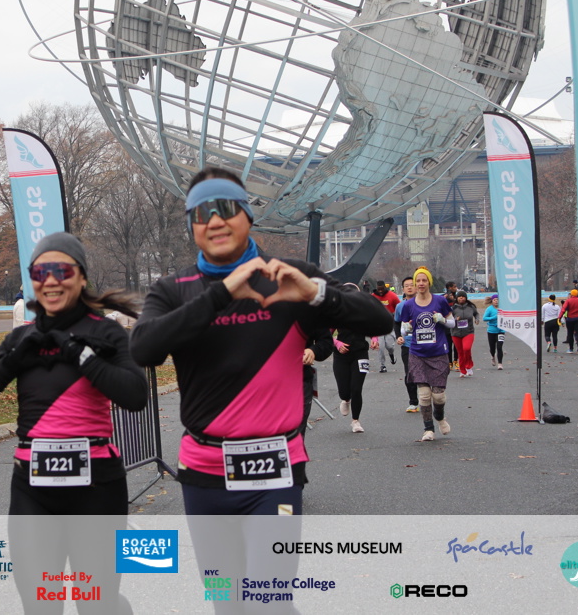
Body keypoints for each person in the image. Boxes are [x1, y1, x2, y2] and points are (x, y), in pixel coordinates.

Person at [129, 168, 391, 610]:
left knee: (270, 600)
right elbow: (143, 349)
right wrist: (222, 293)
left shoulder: (289, 277)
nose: (215, 221)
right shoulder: (175, 289)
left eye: (226, 208)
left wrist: (317, 294)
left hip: (275, 472)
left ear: (248, 216)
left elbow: (379, 320)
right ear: (192, 225)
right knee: (225, 602)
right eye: (201, 213)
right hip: (204, 475)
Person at [0, 232, 146, 615]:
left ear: (81, 277)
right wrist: (12, 360)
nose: (51, 280)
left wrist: (83, 356)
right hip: (33, 491)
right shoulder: (22, 338)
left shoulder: (105, 332)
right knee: (41, 604)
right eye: (40, 272)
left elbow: (135, 395)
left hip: (97, 489)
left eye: (62, 270)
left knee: (97, 605)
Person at [398, 266, 455, 442]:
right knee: (423, 395)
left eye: (424, 280)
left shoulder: (440, 301)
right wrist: (406, 329)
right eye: (418, 281)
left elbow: (452, 322)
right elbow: (403, 329)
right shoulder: (408, 305)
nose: (421, 283)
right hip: (417, 353)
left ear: (429, 282)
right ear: (415, 284)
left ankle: (440, 417)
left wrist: (443, 320)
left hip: (438, 352)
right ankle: (428, 429)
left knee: (438, 395)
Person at [332, 284, 377, 433]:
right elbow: (324, 334)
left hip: (360, 353)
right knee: (344, 391)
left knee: (356, 389)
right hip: (342, 355)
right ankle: (345, 399)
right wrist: (337, 343)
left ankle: (355, 421)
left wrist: (374, 339)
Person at [394, 276, 419, 412]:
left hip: (425, 344)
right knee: (409, 372)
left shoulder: (425, 303)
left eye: (412, 284)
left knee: (425, 372)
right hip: (408, 344)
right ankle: (413, 402)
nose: (409, 287)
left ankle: (427, 398)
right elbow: (397, 323)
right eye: (406, 285)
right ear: (403, 289)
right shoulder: (400, 306)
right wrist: (398, 336)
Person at [370, 280, 399, 372]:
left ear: (385, 287)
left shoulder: (392, 296)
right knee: (381, 347)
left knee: (390, 346)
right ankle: (382, 365)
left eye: (382, 289)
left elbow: (399, 308)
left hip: (390, 325)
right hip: (378, 326)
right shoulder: (373, 297)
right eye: (379, 289)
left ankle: (391, 354)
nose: (380, 291)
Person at [450, 290, 480, 377]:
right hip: (456, 333)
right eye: (459, 297)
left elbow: (476, 314)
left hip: (468, 332)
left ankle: (469, 366)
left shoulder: (471, 307)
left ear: (466, 298)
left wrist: (477, 319)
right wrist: (455, 319)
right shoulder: (453, 308)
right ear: (457, 298)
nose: (461, 298)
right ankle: (462, 370)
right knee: (460, 352)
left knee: (466, 349)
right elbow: (449, 318)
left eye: (463, 297)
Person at [483, 294, 506, 369]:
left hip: (501, 330)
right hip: (492, 331)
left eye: (497, 300)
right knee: (492, 348)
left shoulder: (503, 308)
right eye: (494, 300)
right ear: (492, 301)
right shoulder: (489, 309)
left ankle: (500, 363)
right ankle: (493, 356)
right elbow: (484, 318)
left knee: (499, 346)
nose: (496, 301)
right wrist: (494, 317)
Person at [559, 289, 578, 354]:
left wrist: (559, 317)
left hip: (570, 319)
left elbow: (563, 309)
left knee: (570, 333)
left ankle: (571, 349)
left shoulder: (568, 301)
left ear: (571, 294)